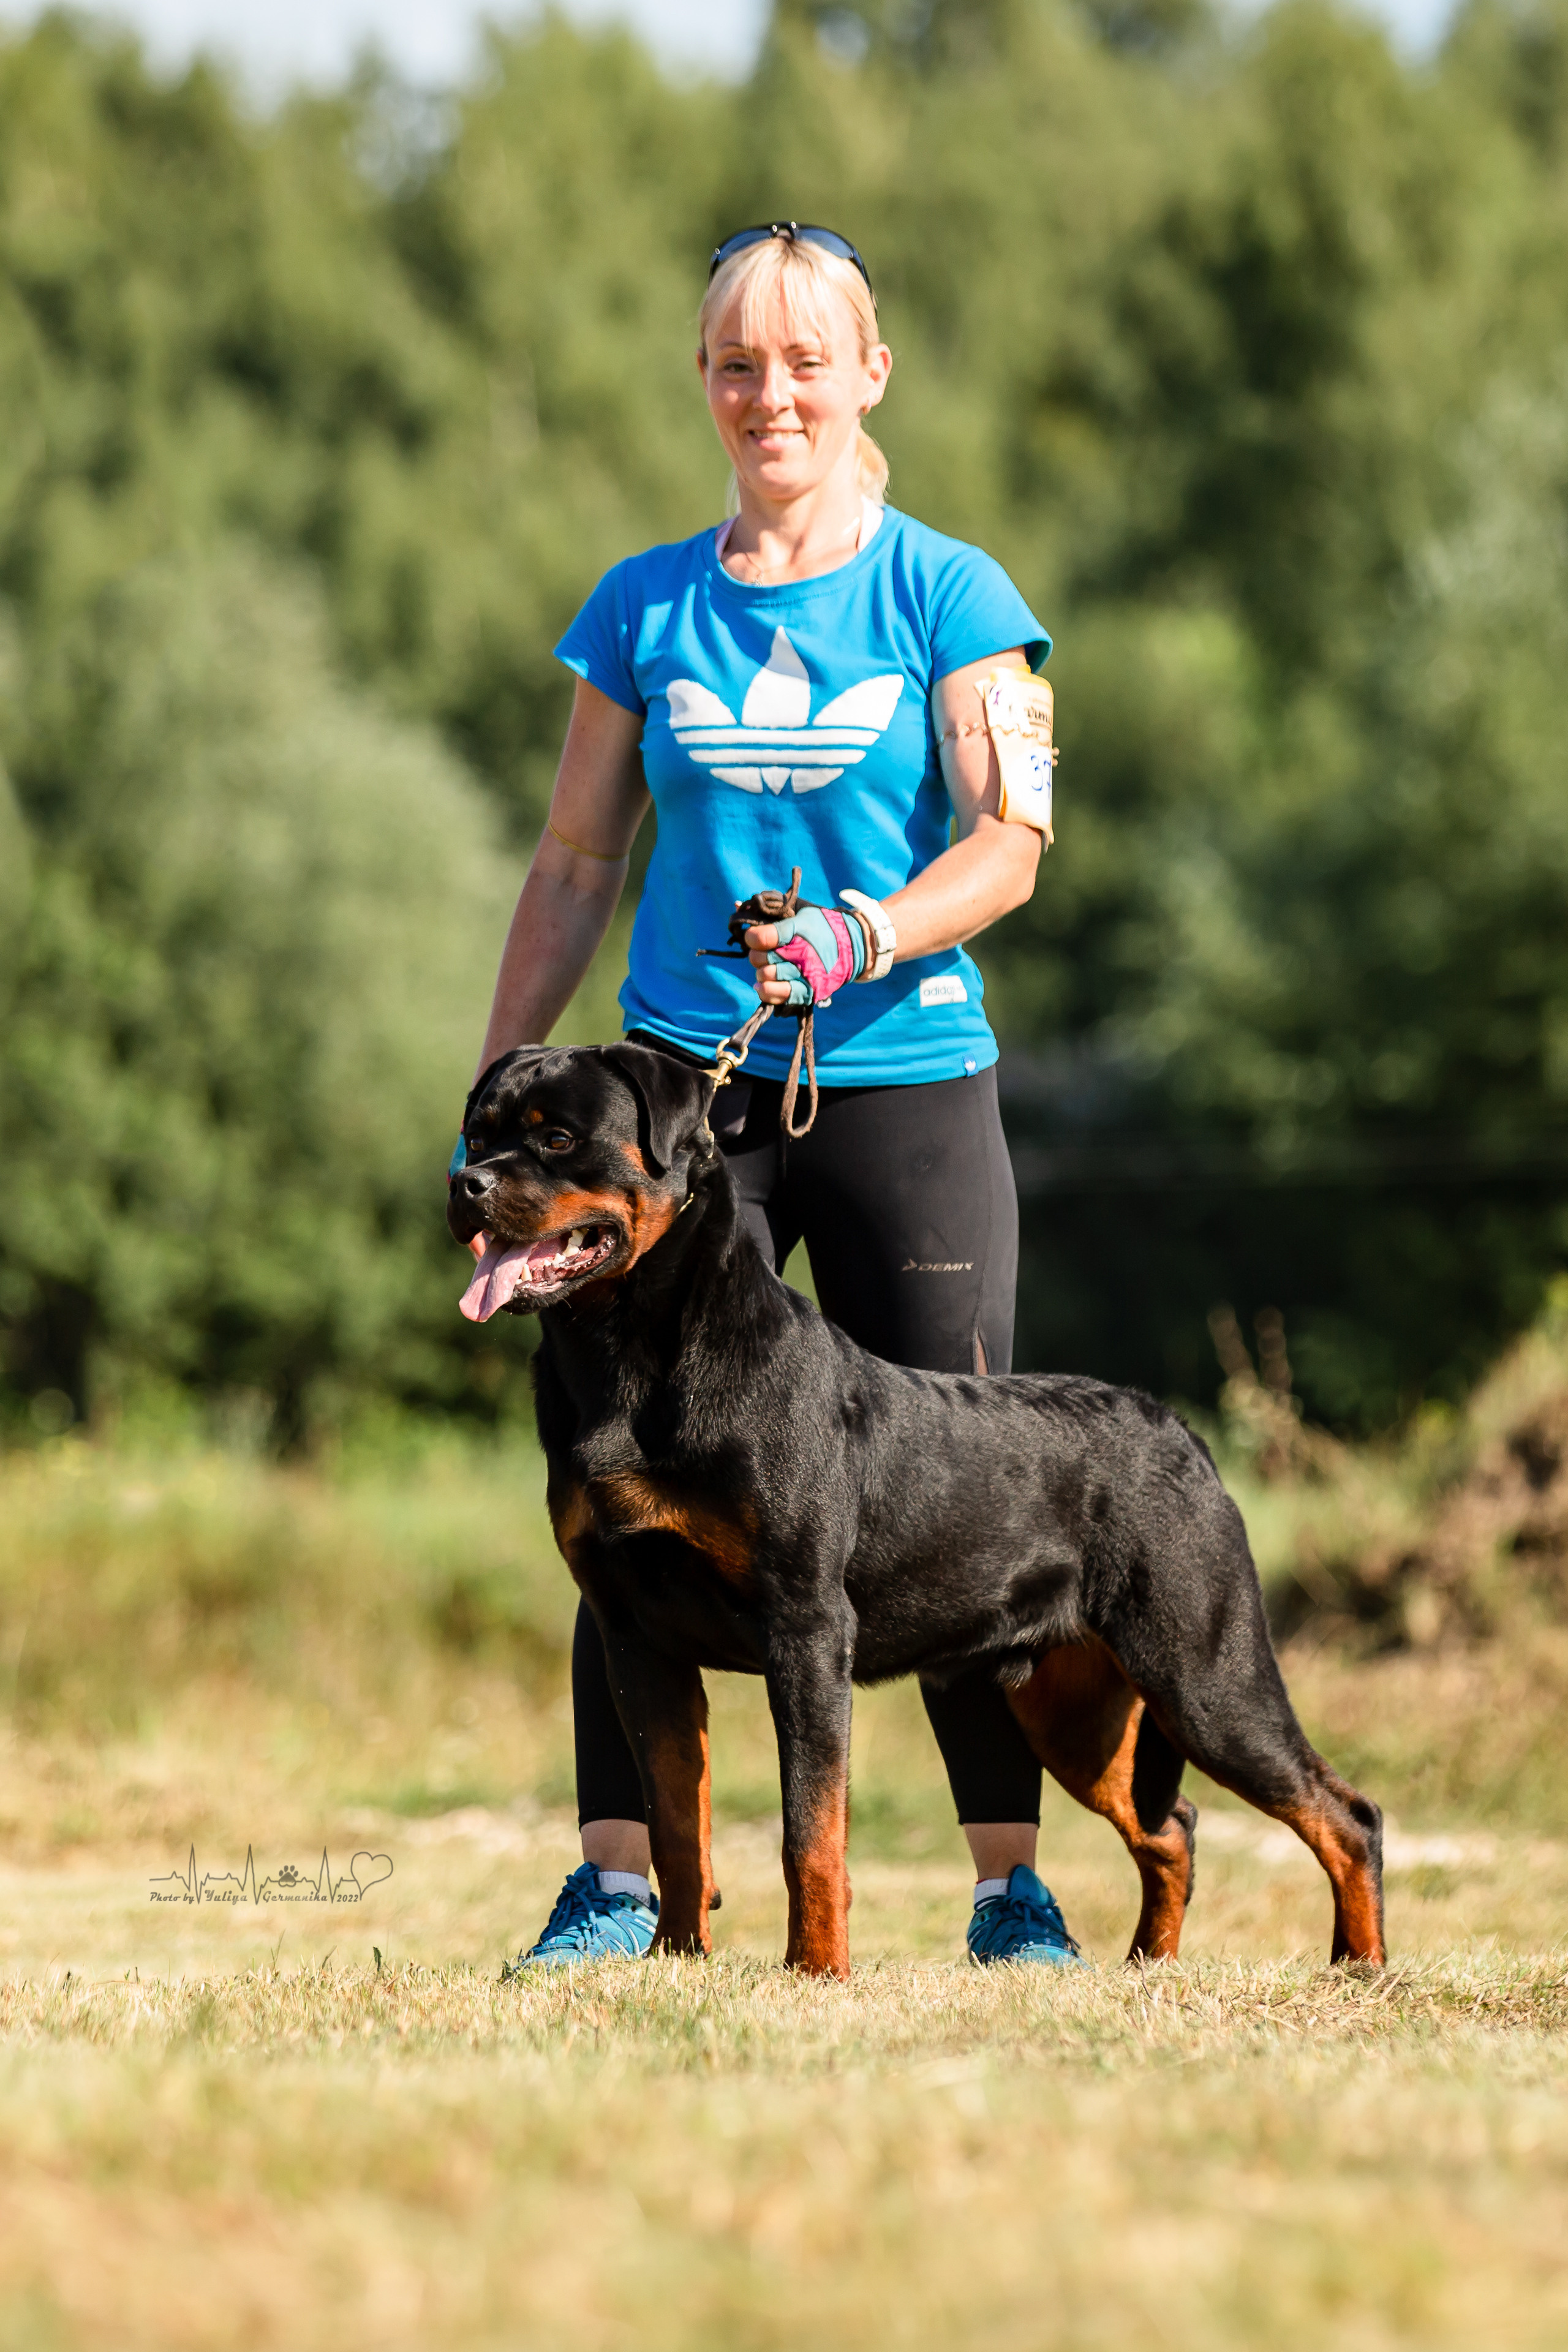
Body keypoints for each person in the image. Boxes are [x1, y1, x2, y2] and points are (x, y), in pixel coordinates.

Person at [462, 221, 1082, 1973]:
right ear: (708, 384)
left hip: (903, 1089)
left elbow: (1013, 844)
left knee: (958, 1480)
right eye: (741, 360)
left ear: (870, 373)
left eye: (809, 359)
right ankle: (620, 1882)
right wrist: (495, 1087)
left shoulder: (953, 595)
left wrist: (869, 929)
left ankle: (1004, 1887)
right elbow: (580, 855)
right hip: (683, 1111)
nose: (773, 392)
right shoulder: (643, 606)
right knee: (619, 1462)